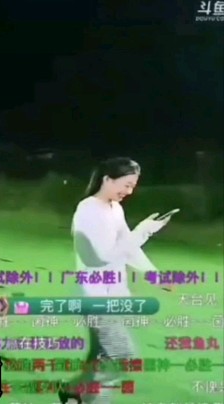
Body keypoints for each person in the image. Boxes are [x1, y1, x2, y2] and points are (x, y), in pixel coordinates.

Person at [59, 157, 172, 404]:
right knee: (122, 356)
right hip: (94, 296)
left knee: (101, 355)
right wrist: (142, 231)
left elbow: (127, 249)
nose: (129, 192)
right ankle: (82, 393)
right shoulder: (88, 210)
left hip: (113, 294)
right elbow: (100, 258)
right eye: (126, 184)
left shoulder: (115, 209)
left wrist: (154, 275)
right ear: (108, 179)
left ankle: (77, 392)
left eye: (133, 187)